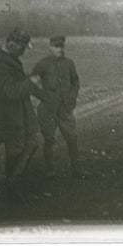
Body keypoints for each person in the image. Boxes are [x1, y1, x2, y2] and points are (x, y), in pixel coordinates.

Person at [0, 28, 44, 195]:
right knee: (16, 149)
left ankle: (12, 182)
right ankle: (12, 188)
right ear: (12, 44)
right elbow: (8, 91)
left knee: (32, 140)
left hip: (17, 113)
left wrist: (33, 84)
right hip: (7, 115)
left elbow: (15, 83)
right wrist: (30, 83)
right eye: (22, 47)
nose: (24, 51)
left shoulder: (8, 59)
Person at [31, 35, 82, 178]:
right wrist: (43, 97)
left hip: (65, 108)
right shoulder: (42, 64)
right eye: (56, 46)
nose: (60, 49)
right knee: (49, 139)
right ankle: (50, 170)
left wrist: (72, 96)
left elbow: (75, 81)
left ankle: (76, 169)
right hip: (48, 108)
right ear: (50, 47)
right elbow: (31, 83)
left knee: (72, 137)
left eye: (62, 46)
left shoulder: (69, 63)